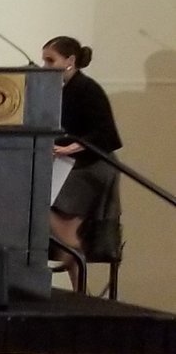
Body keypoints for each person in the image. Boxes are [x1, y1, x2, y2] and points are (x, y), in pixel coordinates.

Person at [44, 34, 123, 257]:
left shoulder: (88, 89)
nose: (45, 66)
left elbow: (104, 134)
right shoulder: (64, 89)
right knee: (40, 207)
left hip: (92, 167)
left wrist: (67, 149)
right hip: (73, 164)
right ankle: (71, 261)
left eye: (50, 60)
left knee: (44, 206)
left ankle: (72, 252)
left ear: (69, 60)